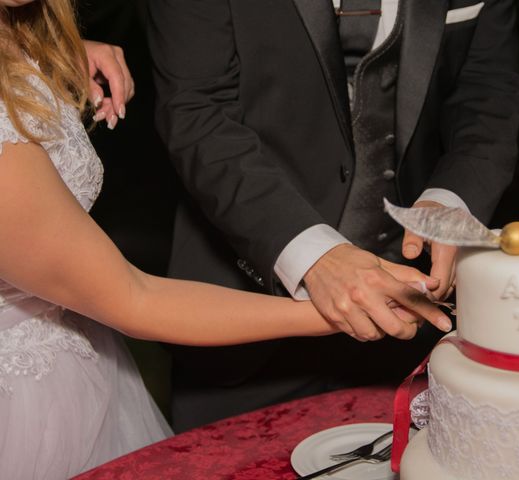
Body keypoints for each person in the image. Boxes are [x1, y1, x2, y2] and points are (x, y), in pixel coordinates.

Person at [0, 1, 440, 478]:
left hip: (82, 361)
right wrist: (339, 305)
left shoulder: (18, 33)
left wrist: (53, 51)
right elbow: (135, 297)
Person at [147, 0, 519, 431]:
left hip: (415, 328)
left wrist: (453, 200)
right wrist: (313, 255)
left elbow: (490, 90)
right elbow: (197, 111)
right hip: (245, 326)